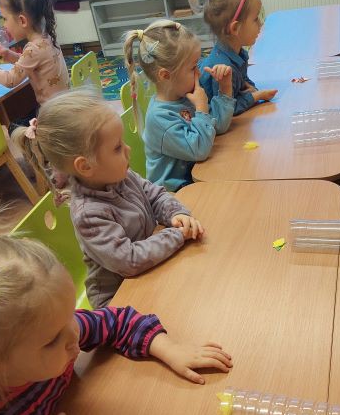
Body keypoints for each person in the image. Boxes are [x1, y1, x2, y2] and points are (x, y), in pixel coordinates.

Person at [0, 198, 233, 415]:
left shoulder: (55, 329)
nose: (75, 336)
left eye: (71, 314)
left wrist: (169, 348)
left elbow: (118, 321)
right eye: (52, 340)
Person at [14, 89, 204, 308]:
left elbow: (155, 194)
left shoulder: (121, 175)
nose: (128, 149)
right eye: (117, 147)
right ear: (86, 166)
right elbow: (129, 260)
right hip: (117, 299)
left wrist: (175, 213)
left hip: (150, 268)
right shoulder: (88, 214)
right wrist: (176, 235)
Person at [123, 20, 236, 191]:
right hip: (172, 196)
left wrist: (225, 88)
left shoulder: (184, 96)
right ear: (165, 75)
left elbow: (218, 126)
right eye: (193, 68)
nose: (198, 73)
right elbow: (200, 150)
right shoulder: (159, 118)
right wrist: (201, 109)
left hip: (196, 180)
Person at [189, 0, 278, 115]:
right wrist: (256, 96)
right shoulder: (223, 70)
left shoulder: (238, 53)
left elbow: (243, 81)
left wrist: (251, 88)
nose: (261, 24)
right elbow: (227, 110)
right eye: (256, 19)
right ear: (235, 28)